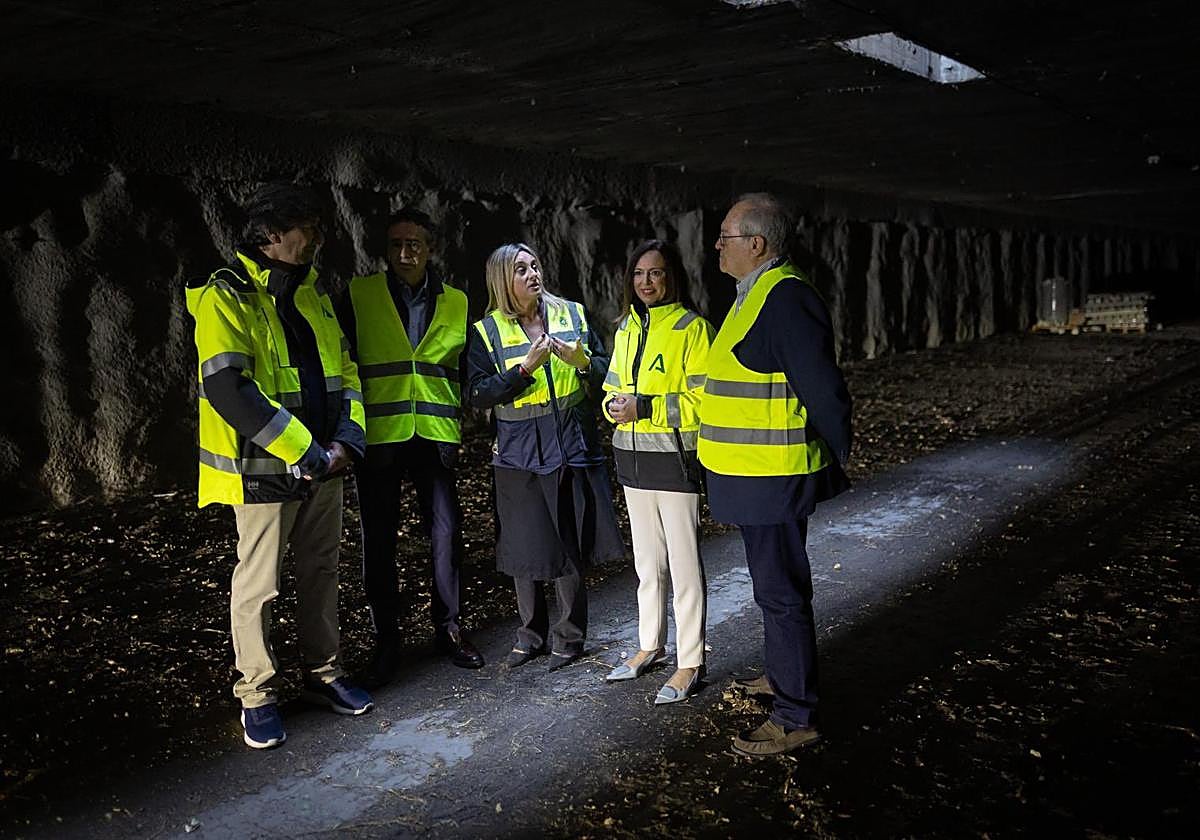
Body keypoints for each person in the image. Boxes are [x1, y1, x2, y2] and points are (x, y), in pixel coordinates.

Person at [184, 182, 374, 750]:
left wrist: (347, 440)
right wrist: (308, 451)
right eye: (306, 228)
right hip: (263, 471)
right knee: (259, 585)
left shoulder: (314, 293)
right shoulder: (227, 296)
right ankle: (257, 693)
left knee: (321, 573)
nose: (315, 238)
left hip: (325, 464)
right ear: (271, 234)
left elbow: (345, 371)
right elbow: (227, 387)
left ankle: (324, 675)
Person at [699, 192, 852, 756]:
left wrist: (836, 453)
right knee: (773, 590)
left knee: (781, 593)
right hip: (753, 474)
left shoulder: (784, 300)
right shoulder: (753, 294)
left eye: (725, 237)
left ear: (756, 244)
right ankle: (785, 677)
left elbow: (823, 389)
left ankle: (795, 716)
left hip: (772, 476)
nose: (717, 246)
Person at [339, 209, 483, 686]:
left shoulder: (459, 302)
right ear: (386, 248)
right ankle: (388, 643)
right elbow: (342, 365)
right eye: (397, 243)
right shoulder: (358, 296)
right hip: (379, 438)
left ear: (430, 249)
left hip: (436, 439)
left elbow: (467, 370)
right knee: (379, 543)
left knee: (446, 537)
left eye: (414, 244)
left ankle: (449, 629)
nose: (405, 253)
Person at [466, 243, 625, 671]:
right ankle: (530, 635)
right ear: (503, 279)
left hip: (569, 439)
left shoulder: (571, 313)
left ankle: (570, 637)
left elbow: (603, 373)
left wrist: (583, 361)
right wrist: (523, 371)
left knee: (568, 541)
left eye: (535, 265)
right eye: (521, 269)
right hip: (518, 446)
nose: (532, 273)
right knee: (525, 545)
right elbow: (478, 394)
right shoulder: (486, 331)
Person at [602, 240, 714, 704]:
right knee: (648, 566)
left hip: (675, 463)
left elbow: (704, 401)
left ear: (672, 277)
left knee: (684, 567)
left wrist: (644, 406)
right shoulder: (626, 328)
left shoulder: (692, 329)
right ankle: (650, 645)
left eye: (656, 273)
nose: (646, 282)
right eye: (638, 274)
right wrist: (613, 406)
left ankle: (690, 661)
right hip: (632, 463)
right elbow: (611, 388)